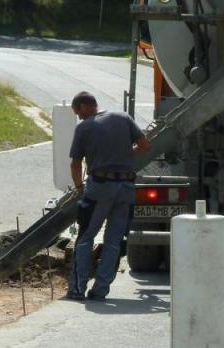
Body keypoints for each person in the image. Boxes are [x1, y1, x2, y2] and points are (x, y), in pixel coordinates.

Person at [67, 91, 151, 301]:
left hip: (99, 187)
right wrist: (124, 156)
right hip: (125, 188)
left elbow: (75, 163)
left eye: (77, 112)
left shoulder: (84, 127)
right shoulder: (123, 118)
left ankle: (78, 289)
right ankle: (101, 290)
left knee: (86, 237)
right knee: (114, 241)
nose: (78, 116)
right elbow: (144, 145)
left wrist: (79, 188)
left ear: (84, 107)